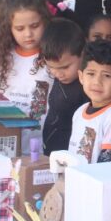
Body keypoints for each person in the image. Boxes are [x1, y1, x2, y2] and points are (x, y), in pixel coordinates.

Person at [0, 0, 53, 120]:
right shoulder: (3, 57)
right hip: (7, 134)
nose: (28, 34)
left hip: (42, 136)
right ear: (9, 28)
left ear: (44, 22)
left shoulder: (53, 56)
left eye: (35, 26)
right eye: (20, 29)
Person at [69, 40, 111, 163]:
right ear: (81, 76)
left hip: (97, 181)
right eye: (91, 74)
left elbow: (107, 161)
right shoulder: (80, 111)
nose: (97, 82)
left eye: (106, 76)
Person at [41, 18, 88, 154]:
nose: (58, 73)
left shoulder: (88, 86)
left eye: (65, 67)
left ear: (83, 53)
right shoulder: (55, 78)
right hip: (49, 151)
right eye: (51, 67)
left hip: (72, 156)